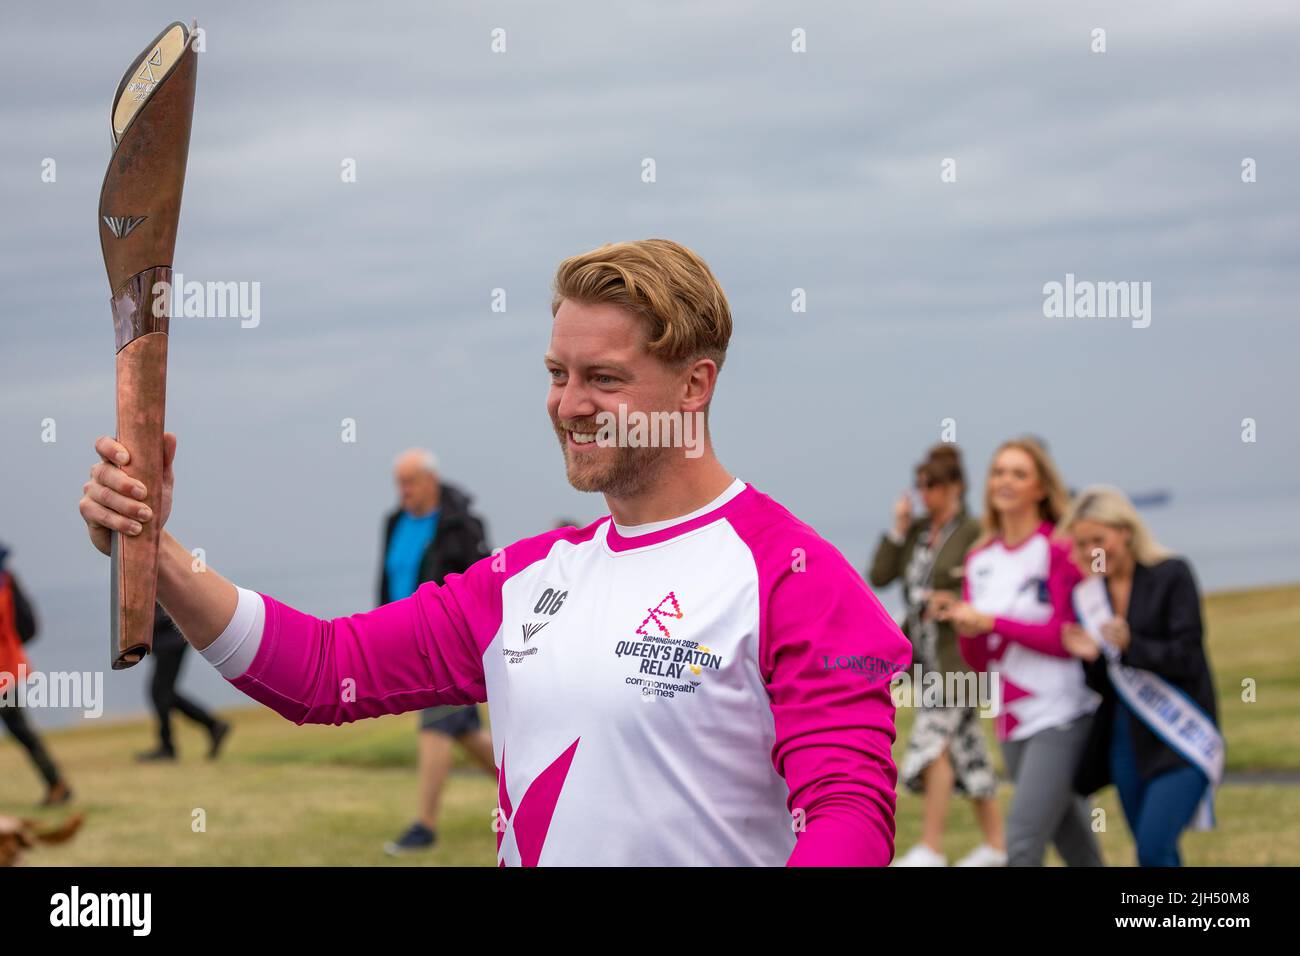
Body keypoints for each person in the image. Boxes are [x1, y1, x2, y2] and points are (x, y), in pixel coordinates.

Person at [78, 238, 911, 866]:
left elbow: (847, 814)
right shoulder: (530, 578)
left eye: (604, 379)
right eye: (557, 372)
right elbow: (323, 669)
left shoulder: (792, 577)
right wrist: (159, 550)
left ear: (695, 385)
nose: (569, 404)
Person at [936, 438, 1102, 867]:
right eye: (998, 472)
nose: (1005, 481)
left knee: (1023, 843)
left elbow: (1064, 638)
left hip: (1061, 713)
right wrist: (966, 626)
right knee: (1078, 849)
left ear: (1040, 488)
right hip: (1011, 719)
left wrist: (993, 622)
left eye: (1019, 473)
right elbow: (978, 659)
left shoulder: (1059, 549)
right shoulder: (979, 560)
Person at [1060, 486, 1220, 867]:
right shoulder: (1088, 595)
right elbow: (1105, 684)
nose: (1091, 552)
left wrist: (1134, 645)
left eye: (1099, 540)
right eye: (1082, 544)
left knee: (1154, 848)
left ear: (1126, 531)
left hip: (1179, 737)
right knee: (1153, 852)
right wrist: (1091, 659)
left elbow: (1187, 657)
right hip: (1124, 740)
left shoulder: (1171, 574)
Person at [869, 444, 1003, 867]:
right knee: (967, 752)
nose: (926, 492)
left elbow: (990, 590)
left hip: (959, 661)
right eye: (921, 484)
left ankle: (930, 848)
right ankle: (999, 848)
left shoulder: (974, 533)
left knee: (931, 745)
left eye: (934, 485)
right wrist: (899, 528)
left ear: (956, 486)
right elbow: (880, 575)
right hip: (922, 661)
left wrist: (954, 599)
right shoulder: (918, 530)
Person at [380, 448, 496, 856]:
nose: (403, 491)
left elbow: (482, 584)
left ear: (429, 481)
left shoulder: (461, 524)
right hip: (404, 640)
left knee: (436, 722)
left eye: (409, 482)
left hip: (449, 646)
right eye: (399, 482)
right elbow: (388, 577)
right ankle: (524, 790)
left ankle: (424, 826)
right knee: (463, 731)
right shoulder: (394, 522)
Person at [0, 544, 72, 805]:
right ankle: (57, 783)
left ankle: (57, 783)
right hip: (7, 667)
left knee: (20, 729)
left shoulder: (7, 584)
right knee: (21, 729)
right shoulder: (8, 580)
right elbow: (28, 626)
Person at [138, 603, 230, 761]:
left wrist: (142, 620)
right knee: (164, 693)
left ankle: (168, 748)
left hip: (171, 641)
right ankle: (213, 726)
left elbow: (167, 609)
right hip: (169, 640)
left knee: (160, 693)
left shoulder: (158, 579)